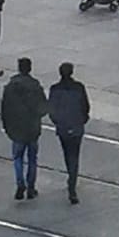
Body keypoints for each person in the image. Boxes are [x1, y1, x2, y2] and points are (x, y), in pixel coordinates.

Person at [0, 56, 46, 201]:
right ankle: (31, 187)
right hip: (32, 129)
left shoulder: (10, 87)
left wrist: (7, 126)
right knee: (32, 158)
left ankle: (20, 183)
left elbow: (4, 109)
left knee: (17, 158)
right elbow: (44, 108)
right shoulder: (35, 86)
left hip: (16, 130)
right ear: (30, 68)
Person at [46, 62, 89, 204]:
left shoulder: (54, 89)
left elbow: (51, 109)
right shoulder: (79, 88)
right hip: (76, 126)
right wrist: (82, 119)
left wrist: (58, 122)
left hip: (63, 127)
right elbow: (85, 106)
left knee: (67, 152)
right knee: (75, 155)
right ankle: (72, 183)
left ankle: (71, 177)